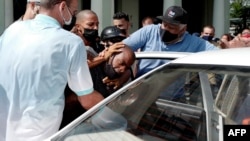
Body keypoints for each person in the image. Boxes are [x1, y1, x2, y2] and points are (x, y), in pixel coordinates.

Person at [0, 0, 104, 140]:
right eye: (73, 12)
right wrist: (115, 114)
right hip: (40, 135)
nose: (72, 17)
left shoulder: (11, 31)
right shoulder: (71, 43)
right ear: (62, 7)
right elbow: (87, 99)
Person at [123, 5, 219, 78]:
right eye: (164, 24)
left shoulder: (193, 43)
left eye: (171, 27)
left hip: (172, 100)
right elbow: (122, 49)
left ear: (183, 29)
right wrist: (124, 74)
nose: (166, 29)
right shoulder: (149, 31)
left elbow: (219, 55)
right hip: (142, 93)